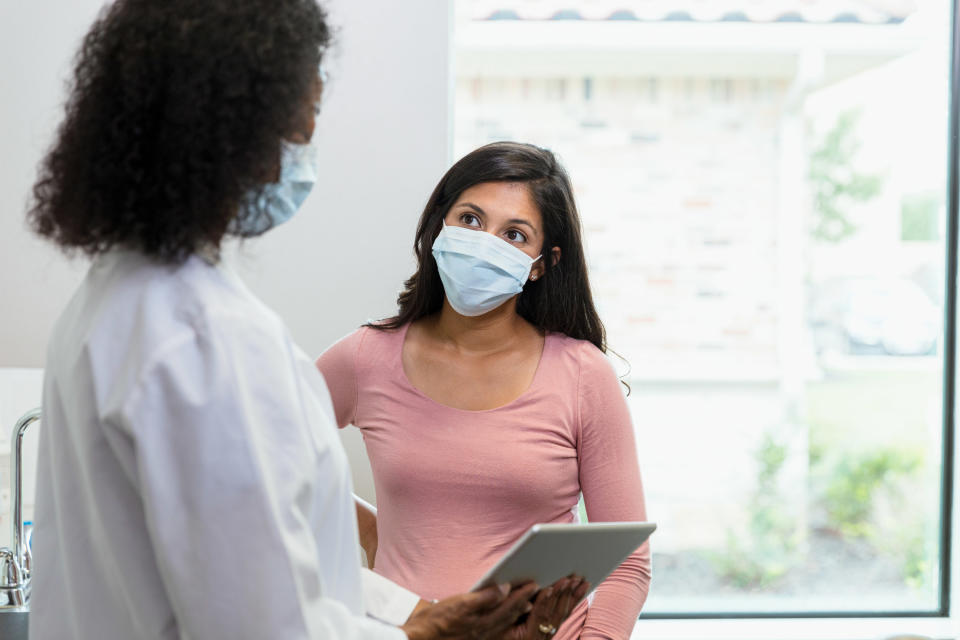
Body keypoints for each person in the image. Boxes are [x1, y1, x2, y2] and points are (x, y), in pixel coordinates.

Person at [25, 1, 586, 638]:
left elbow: (264, 561)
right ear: (237, 129)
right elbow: (263, 622)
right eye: (303, 119)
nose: (305, 146)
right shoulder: (207, 340)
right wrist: (415, 634)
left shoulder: (113, 300)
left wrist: (417, 614)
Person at [316, 141, 652, 639]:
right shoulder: (365, 357)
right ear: (439, 224)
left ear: (541, 262)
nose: (485, 242)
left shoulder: (583, 374)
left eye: (514, 234)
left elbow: (627, 565)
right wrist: (369, 531)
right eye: (471, 220)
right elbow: (268, 468)